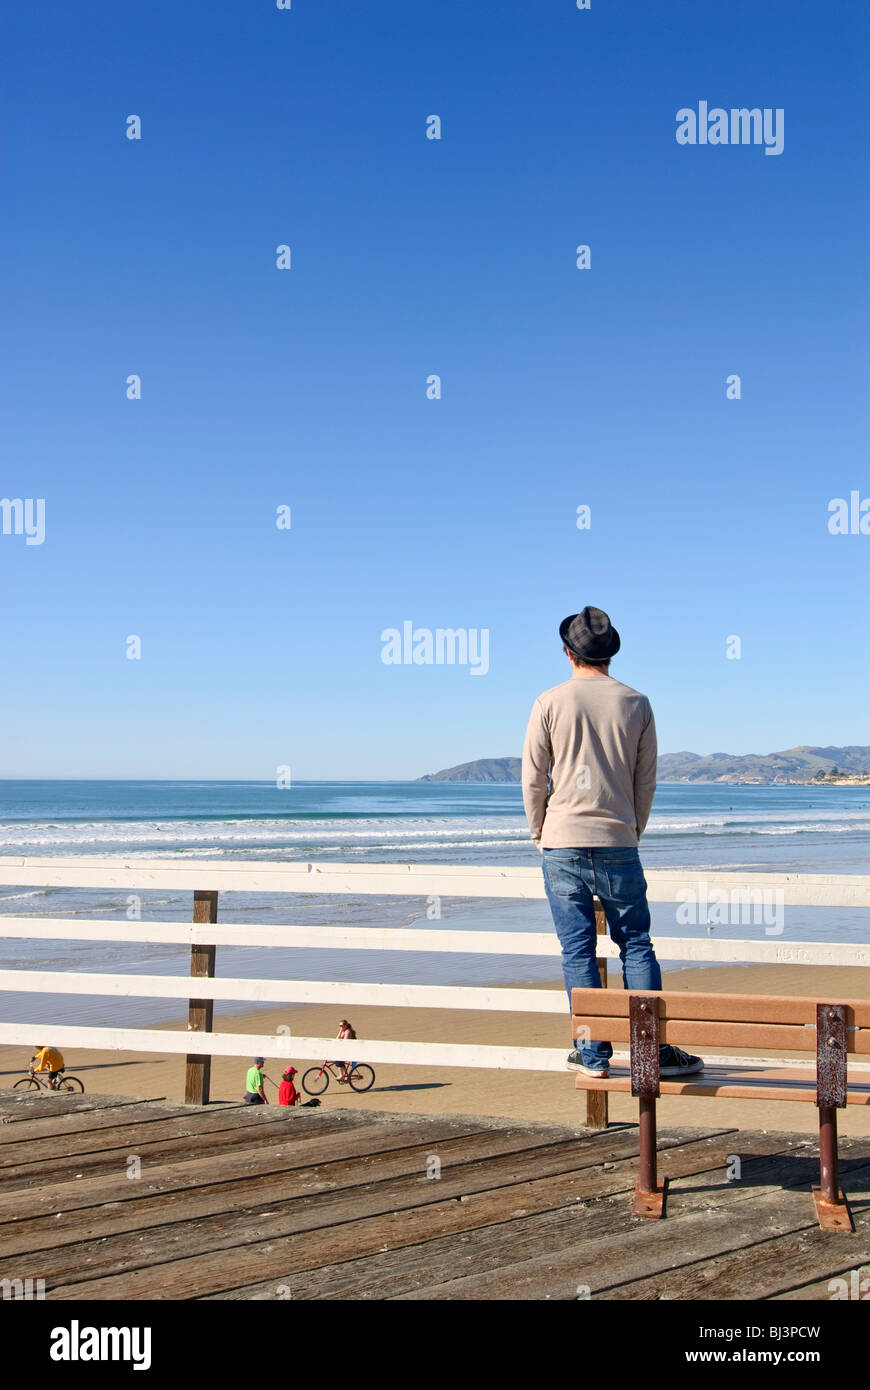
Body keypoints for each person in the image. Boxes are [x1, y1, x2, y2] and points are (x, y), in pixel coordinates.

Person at [522, 606, 702, 1080]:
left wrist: (541, 833)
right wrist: (631, 828)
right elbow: (647, 781)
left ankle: (593, 1054)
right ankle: (651, 1052)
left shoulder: (549, 702)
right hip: (618, 839)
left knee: (577, 951)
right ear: (610, 653)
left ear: (568, 653)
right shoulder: (636, 703)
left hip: (562, 842)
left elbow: (533, 779)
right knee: (637, 944)